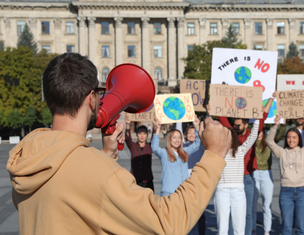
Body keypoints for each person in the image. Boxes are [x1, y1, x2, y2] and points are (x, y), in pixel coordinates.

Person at [6, 53, 232, 234]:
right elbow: (168, 223)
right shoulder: (99, 173)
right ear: (91, 99)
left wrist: (104, 155)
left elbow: (63, 200)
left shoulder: (28, 157)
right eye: (99, 93)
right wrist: (214, 155)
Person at [218, 102, 270, 235]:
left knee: (245, 216)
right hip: (223, 188)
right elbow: (222, 120)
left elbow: (256, 130)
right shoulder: (221, 150)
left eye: (238, 125)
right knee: (225, 223)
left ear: (246, 125)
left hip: (244, 182)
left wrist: (262, 111)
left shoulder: (242, 148)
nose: (234, 128)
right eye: (233, 126)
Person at [267, 110, 304, 235]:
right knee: (287, 228)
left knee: (301, 228)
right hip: (286, 193)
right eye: (289, 137)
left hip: (302, 192)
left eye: (294, 137)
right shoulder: (282, 152)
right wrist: (275, 126)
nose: (291, 140)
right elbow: (269, 141)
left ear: (298, 139)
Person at [215, 120, 260, 235]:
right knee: (222, 229)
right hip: (222, 191)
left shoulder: (240, 150)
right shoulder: (217, 152)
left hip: (238, 192)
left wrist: (257, 119)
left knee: (239, 229)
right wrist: (206, 117)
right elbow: (205, 139)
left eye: (230, 137)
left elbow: (253, 135)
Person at [251, 96, 287, 235]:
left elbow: (279, 135)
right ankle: (253, 229)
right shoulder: (251, 142)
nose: (259, 133)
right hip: (254, 173)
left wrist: (283, 122)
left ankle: (266, 231)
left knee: (267, 205)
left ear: (264, 132)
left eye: (261, 131)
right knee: (253, 205)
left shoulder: (269, 142)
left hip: (266, 174)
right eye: (257, 131)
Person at [151, 117, 201, 196]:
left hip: (183, 192)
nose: (177, 140)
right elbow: (154, 148)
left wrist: (197, 127)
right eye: (174, 138)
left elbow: (197, 144)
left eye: (179, 138)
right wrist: (157, 129)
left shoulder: (184, 151)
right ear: (169, 139)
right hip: (168, 192)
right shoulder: (164, 153)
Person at [183, 123, 207, 235]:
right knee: (185, 209)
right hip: (185, 179)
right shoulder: (182, 147)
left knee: (200, 210)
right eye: (189, 133)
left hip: (197, 179)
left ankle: (202, 232)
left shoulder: (200, 145)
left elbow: (202, 137)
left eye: (194, 133)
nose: (192, 135)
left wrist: (198, 127)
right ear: (186, 135)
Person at [125, 116, 154, 191]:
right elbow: (127, 138)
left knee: (149, 201)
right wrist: (128, 125)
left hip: (147, 180)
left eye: (144, 133)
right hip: (135, 180)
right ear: (137, 134)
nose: (142, 136)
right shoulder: (133, 146)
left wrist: (155, 126)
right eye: (140, 133)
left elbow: (154, 137)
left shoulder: (150, 146)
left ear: (147, 135)